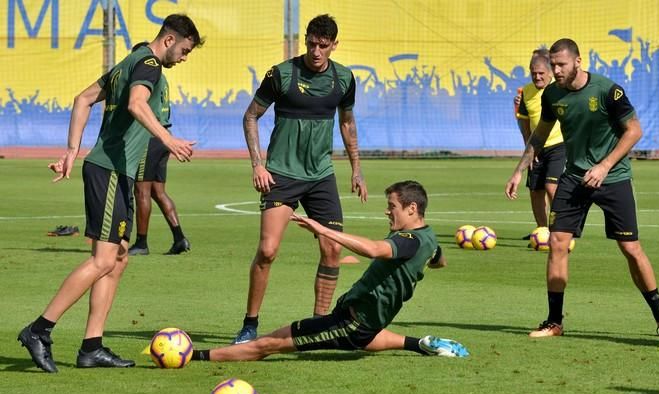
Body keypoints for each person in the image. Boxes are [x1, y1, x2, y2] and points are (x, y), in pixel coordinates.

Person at [17, 15, 204, 373]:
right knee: (104, 260)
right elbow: (136, 104)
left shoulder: (126, 64)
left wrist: (72, 150)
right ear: (169, 40)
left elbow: (82, 99)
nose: (184, 57)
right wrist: (169, 140)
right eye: (184, 50)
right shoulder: (149, 65)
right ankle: (39, 330)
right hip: (110, 171)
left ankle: (92, 347)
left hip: (112, 171)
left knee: (118, 257)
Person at [504, 38, 659, 339]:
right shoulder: (552, 94)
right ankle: (554, 321)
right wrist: (518, 171)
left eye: (561, 64)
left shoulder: (607, 90)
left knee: (631, 248)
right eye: (553, 65)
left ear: (578, 61)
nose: (556, 70)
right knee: (557, 243)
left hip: (613, 178)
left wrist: (604, 166)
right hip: (574, 178)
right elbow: (540, 134)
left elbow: (634, 130)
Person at [191, 181, 468, 361]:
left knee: (268, 344)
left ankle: (195, 356)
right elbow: (438, 260)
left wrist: (323, 229)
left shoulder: (409, 241)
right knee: (367, 335)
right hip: (363, 322)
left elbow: (373, 249)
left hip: (351, 323)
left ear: (412, 208)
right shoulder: (429, 238)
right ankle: (421, 344)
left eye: (392, 206)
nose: (387, 212)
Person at [234, 14, 367, 344]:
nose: (316, 51)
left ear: (334, 45)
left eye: (323, 45)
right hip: (281, 173)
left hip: (321, 175)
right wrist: (257, 165)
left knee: (333, 250)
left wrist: (357, 169)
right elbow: (251, 116)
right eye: (311, 43)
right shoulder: (282, 74)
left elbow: (347, 123)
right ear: (304, 39)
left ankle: (319, 325)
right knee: (267, 250)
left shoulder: (344, 79)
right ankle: (250, 324)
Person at [128, 48, 190, 256]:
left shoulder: (146, 77)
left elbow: (139, 106)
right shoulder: (161, 78)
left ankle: (141, 243)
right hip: (164, 137)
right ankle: (179, 238)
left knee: (141, 190)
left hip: (149, 138)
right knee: (158, 192)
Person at [514, 49, 565, 239]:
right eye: (533, 73)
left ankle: (560, 230)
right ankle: (542, 231)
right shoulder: (526, 92)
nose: (537, 76)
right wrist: (529, 149)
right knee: (535, 190)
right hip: (536, 148)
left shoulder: (560, 88)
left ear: (550, 72)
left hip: (559, 145)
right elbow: (525, 124)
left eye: (541, 73)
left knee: (552, 188)